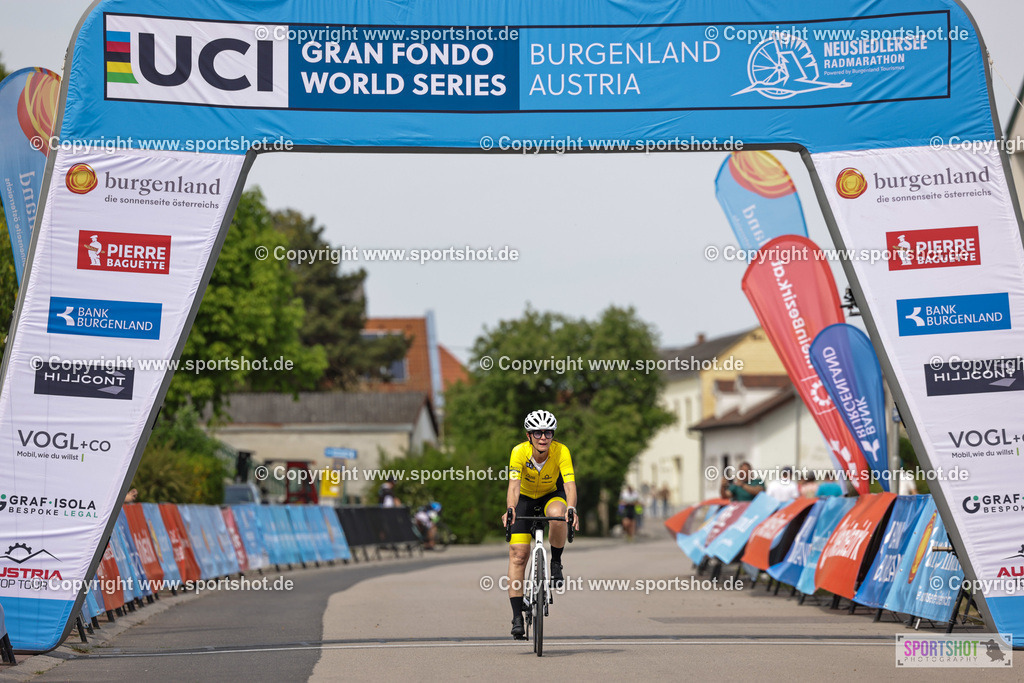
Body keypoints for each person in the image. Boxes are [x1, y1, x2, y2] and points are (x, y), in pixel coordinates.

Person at [501, 409, 579, 640]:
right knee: (518, 555)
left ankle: (555, 562)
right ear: (529, 435)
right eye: (538, 433)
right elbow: (513, 485)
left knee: (558, 514)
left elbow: (569, 484)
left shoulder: (561, 451)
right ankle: (517, 617)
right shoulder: (519, 452)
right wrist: (511, 508)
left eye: (548, 432)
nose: (543, 437)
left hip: (550, 495)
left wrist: (572, 508)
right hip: (523, 499)